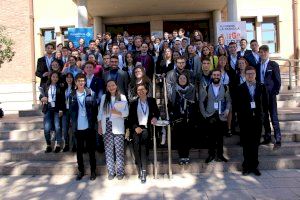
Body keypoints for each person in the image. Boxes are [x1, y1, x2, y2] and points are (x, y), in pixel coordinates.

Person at [237, 66, 268, 176]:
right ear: (245, 75)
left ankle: (254, 167)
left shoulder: (261, 87)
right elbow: (238, 106)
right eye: (248, 73)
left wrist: (263, 117)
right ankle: (246, 167)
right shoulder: (240, 87)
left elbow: (265, 104)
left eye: (252, 73)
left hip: (257, 120)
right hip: (245, 121)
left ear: (255, 74)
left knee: (255, 144)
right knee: (246, 145)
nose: (250, 75)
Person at [98, 80, 129, 180]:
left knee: (119, 150)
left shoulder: (122, 97)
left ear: (116, 86)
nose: (111, 87)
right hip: (106, 125)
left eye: (113, 85)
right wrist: (99, 125)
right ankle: (111, 172)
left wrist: (117, 112)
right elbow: (100, 113)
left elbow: (126, 113)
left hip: (118, 126)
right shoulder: (104, 97)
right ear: (107, 88)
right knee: (108, 150)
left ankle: (120, 172)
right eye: (109, 86)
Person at [128, 84, 159, 183]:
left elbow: (157, 112)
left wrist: (155, 117)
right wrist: (135, 127)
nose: (140, 91)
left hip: (146, 128)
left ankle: (143, 171)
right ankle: (139, 163)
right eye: (138, 90)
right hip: (136, 128)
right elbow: (130, 119)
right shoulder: (133, 103)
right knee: (136, 148)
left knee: (144, 148)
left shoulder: (152, 101)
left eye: (142, 89)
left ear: (146, 90)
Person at [69, 73, 98, 181]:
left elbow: (95, 109)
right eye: (79, 81)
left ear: (85, 82)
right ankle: (80, 171)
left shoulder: (91, 93)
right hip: (77, 127)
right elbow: (71, 112)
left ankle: (93, 171)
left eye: (83, 80)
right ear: (75, 82)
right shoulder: (72, 95)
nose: (81, 82)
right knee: (79, 151)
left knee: (91, 151)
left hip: (89, 127)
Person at [199, 69, 231, 163]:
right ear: (211, 76)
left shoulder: (225, 87)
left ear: (220, 76)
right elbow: (201, 101)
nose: (216, 76)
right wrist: (204, 113)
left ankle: (220, 155)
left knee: (220, 137)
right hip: (210, 114)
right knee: (211, 137)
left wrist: (227, 110)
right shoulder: (206, 87)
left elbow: (228, 100)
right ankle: (211, 155)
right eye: (214, 75)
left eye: (218, 75)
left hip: (221, 115)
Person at [257, 45, 282, 150]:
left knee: (274, 116)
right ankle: (267, 137)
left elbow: (277, 80)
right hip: (261, 93)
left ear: (268, 53)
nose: (262, 54)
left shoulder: (273, 64)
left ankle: (278, 139)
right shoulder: (258, 65)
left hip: (270, 93)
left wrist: (275, 92)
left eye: (264, 52)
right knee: (264, 116)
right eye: (261, 52)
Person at [169, 74, 195, 165]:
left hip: (188, 118)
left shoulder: (191, 89)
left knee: (187, 138)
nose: (182, 79)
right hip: (178, 118)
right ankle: (181, 157)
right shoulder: (174, 90)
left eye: (184, 78)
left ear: (187, 80)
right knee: (179, 138)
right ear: (178, 80)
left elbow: (194, 103)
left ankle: (186, 156)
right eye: (180, 78)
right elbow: (171, 103)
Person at [40, 71, 64, 153]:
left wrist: (61, 109)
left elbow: (62, 99)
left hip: (57, 108)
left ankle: (58, 145)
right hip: (48, 108)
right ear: (50, 77)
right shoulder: (45, 85)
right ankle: (48, 145)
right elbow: (41, 95)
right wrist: (42, 98)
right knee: (46, 128)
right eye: (53, 77)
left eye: (56, 77)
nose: (55, 78)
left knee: (57, 127)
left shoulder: (60, 86)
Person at [61, 72, 76, 152]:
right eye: (67, 77)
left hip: (73, 111)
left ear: (73, 79)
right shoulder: (63, 87)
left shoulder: (75, 88)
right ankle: (66, 144)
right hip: (65, 111)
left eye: (70, 77)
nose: (69, 79)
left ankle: (74, 145)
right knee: (65, 128)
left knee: (74, 128)